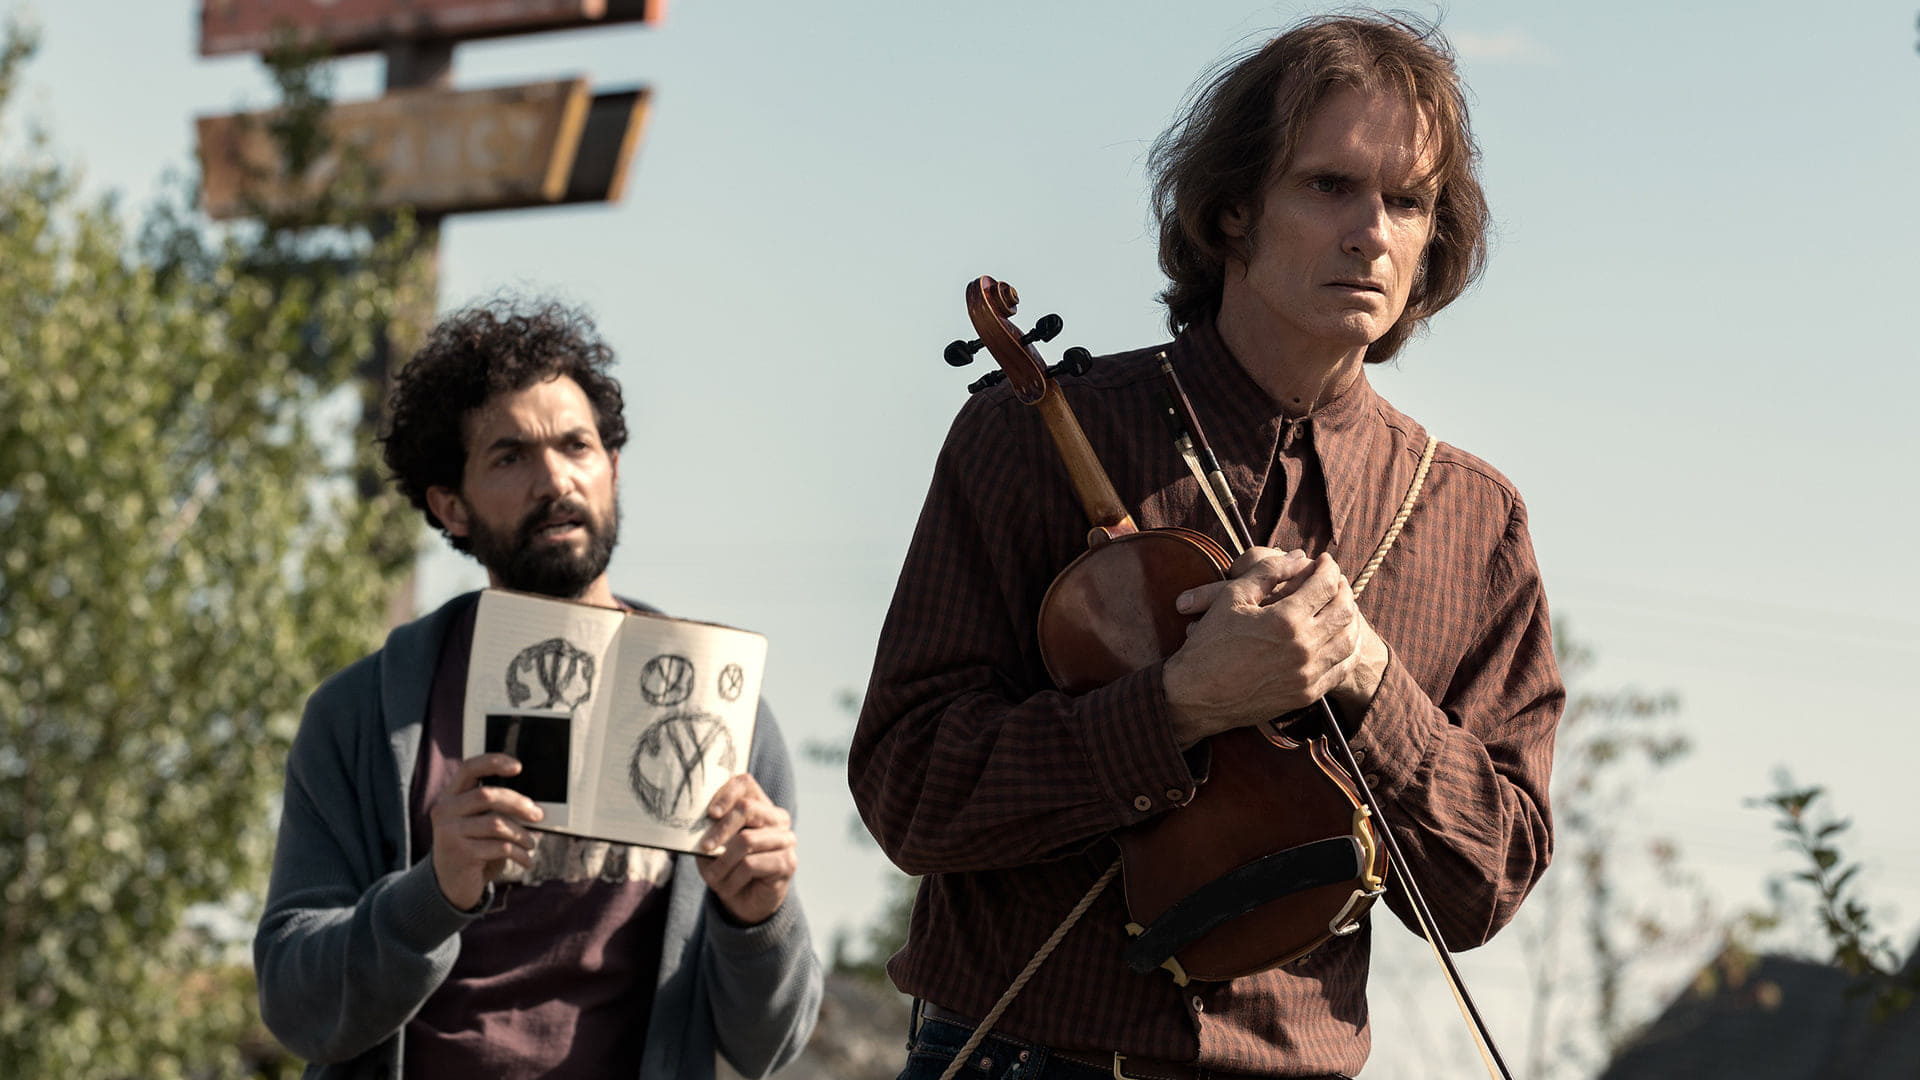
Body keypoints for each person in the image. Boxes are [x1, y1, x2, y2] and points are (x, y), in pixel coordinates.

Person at [851, 14, 1563, 1080]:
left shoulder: (1472, 518)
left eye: (1409, 201)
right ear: (1232, 209)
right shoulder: (1036, 433)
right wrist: (1178, 706)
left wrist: (1370, 680)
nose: (1372, 232)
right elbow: (909, 791)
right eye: (1329, 186)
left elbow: (1487, 884)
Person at [254, 301, 821, 1079]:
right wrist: (434, 892)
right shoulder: (362, 718)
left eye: (576, 446)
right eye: (510, 456)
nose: (555, 480)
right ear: (450, 506)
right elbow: (296, 1006)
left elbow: (770, 1047)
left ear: (613, 467)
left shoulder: (723, 711)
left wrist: (759, 917)